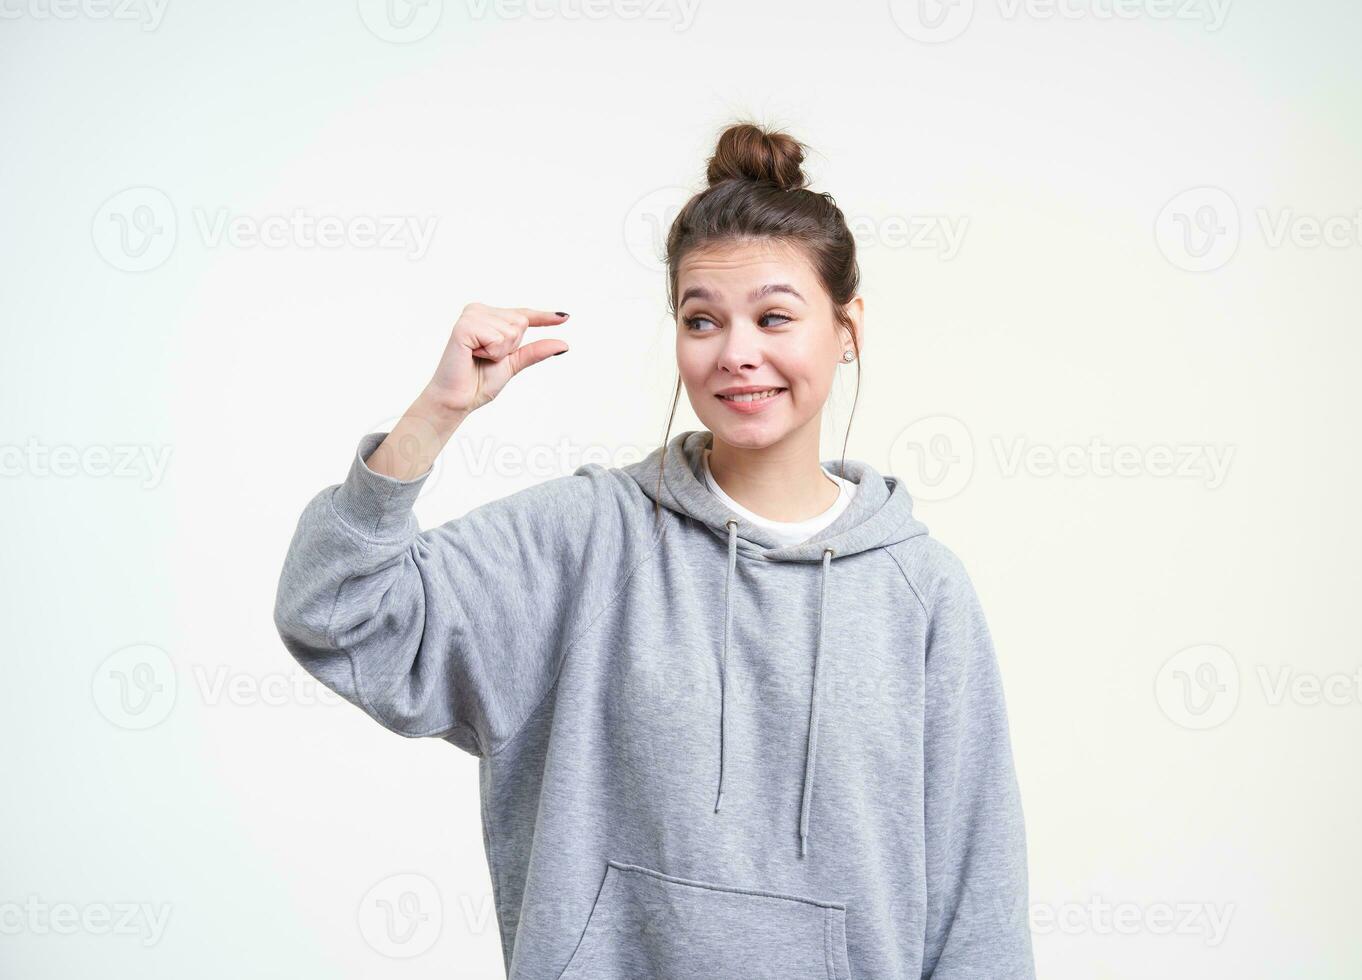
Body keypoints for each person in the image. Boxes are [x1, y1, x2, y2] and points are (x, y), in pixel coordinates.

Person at [273, 121, 1035, 980]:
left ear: (847, 325)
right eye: (701, 319)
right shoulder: (591, 539)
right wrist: (435, 416)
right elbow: (338, 615)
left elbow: (981, 914)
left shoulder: (922, 592)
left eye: (774, 316)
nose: (737, 353)